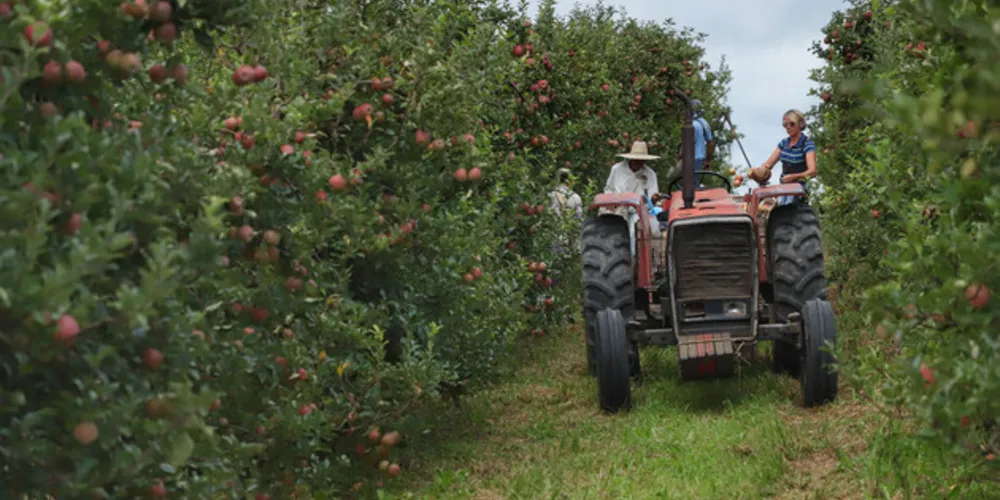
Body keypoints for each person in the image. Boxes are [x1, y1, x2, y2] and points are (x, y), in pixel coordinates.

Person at [603, 141, 662, 257]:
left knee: (636, 233)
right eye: (636, 160)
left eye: (641, 160)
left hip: (639, 211)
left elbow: (652, 197)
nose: (638, 163)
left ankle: (635, 260)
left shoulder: (650, 174)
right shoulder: (617, 169)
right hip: (618, 209)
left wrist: (652, 199)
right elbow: (608, 188)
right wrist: (609, 199)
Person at [754, 109, 817, 204]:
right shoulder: (784, 143)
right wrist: (758, 173)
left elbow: (813, 172)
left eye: (791, 124)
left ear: (800, 124)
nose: (788, 127)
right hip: (784, 190)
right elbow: (768, 165)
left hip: (799, 191)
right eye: (785, 124)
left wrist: (794, 177)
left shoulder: (807, 144)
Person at [691, 99, 715, 174]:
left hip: (687, 158)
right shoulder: (704, 123)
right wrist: (708, 161)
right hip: (699, 157)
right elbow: (710, 143)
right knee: (694, 181)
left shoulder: (687, 123)